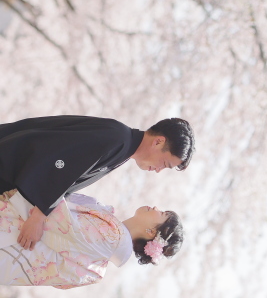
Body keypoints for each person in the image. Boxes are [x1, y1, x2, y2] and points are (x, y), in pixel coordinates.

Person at [0, 116, 194, 250]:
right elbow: (61, 160)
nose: (158, 170)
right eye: (165, 163)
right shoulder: (117, 137)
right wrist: (39, 216)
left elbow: (68, 176)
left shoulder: (123, 145)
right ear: (158, 142)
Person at [0, 189, 183, 289]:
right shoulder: (96, 273)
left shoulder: (113, 236)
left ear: (152, 232)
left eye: (163, 214)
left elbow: (57, 219)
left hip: (11, 231)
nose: (157, 207)